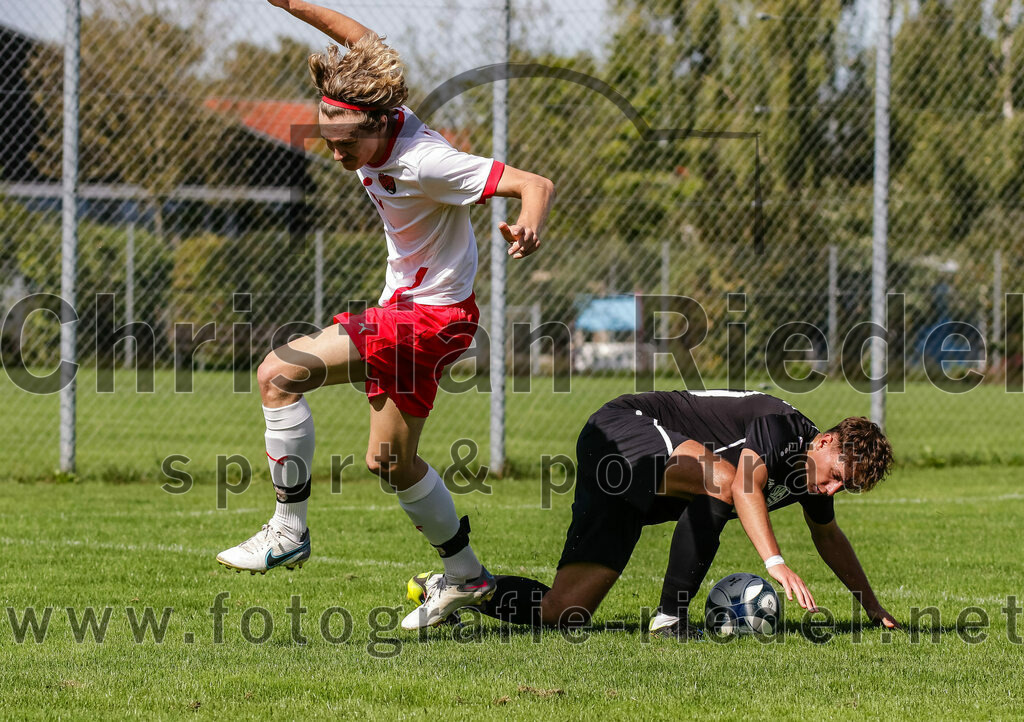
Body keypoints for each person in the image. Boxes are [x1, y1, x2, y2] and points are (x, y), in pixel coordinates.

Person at [215, 0, 556, 631]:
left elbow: (534, 182)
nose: (339, 157)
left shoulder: (426, 159)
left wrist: (528, 226)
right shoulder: (378, 115)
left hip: (427, 318)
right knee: (391, 464)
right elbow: (363, 40)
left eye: (347, 145)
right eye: (330, 142)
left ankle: (289, 529)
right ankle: (466, 574)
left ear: (379, 126)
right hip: (423, 316)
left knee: (276, 375)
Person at [452, 389, 899, 639]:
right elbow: (743, 485)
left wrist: (871, 606)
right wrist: (775, 563)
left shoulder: (814, 478)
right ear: (822, 442)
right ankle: (670, 618)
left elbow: (829, 537)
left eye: (848, 487)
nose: (834, 489)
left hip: (628, 483)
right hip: (623, 430)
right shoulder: (780, 426)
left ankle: (467, 587)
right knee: (724, 482)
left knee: (564, 612)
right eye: (838, 475)